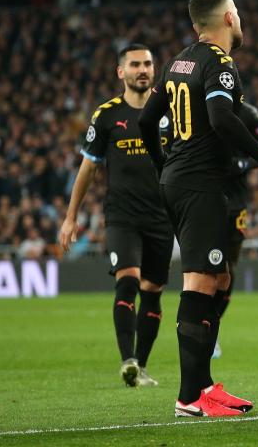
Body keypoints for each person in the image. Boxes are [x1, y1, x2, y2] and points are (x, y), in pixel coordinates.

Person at [139, 0, 258, 417]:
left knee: (219, 279)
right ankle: (189, 397)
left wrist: (162, 163)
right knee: (202, 282)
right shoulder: (220, 63)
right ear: (227, 18)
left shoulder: (175, 63)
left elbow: (148, 120)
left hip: (183, 179)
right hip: (199, 185)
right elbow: (223, 117)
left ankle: (204, 384)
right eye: (237, 12)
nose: (239, 19)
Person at [58, 44, 174, 388]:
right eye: (135, 64)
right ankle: (128, 360)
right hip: (122, 215)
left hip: (161, 216)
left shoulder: (169, 109)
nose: (143, 69)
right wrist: (70, 216)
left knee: (153, 290)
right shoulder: (107, 115)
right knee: (128, 280)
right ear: (120, 72)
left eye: (148, 64)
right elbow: (88, 167)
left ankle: (141, 366)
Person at [212, 101, 258, 359]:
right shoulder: (205, 107)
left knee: (229, 268)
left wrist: (244, 164)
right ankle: (200, 324)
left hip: (236, 201)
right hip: (207, 196)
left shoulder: (249, 113)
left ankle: (213, 324)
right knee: (208, 266)